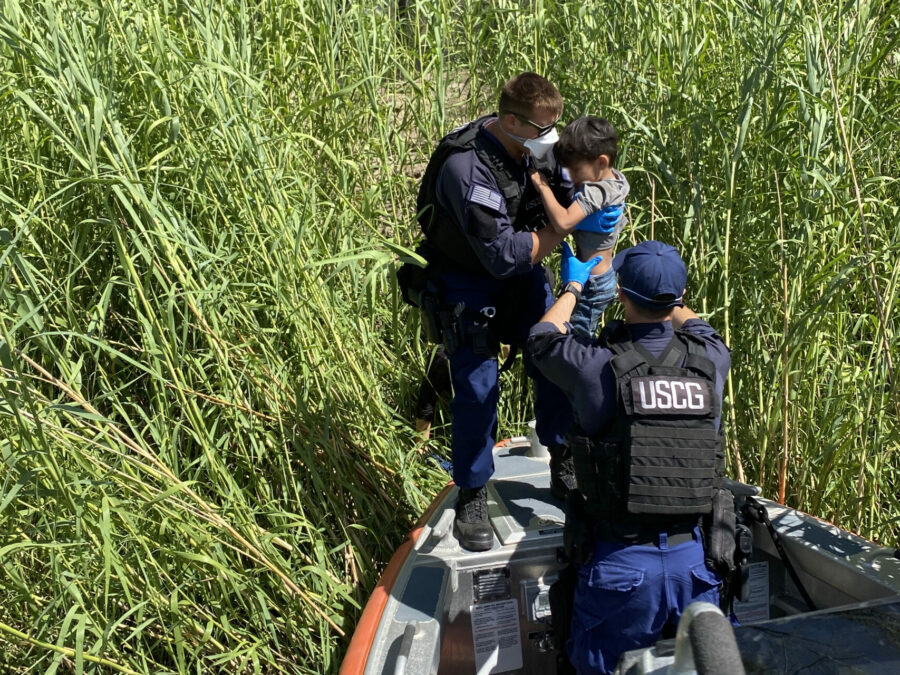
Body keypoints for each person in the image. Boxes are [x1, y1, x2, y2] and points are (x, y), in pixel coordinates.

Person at [412, 72, 621, 552]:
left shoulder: (533, 146)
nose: (553, 138)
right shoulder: (466, 169)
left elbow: (585, 187)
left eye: (556, 126)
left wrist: (605, 199)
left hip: (523, 279)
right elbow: (505, 254)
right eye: (544, 129)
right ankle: (471, 490)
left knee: (555, 359)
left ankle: (562, 457)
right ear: (510, 121)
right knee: (477, 387)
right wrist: (563, 231)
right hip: (470, 283)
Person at [525, 241, 732, 674]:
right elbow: (699, 326)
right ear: (679, 299)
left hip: (622, 568)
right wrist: (670, 300)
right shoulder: (711, 359)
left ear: (620, 294)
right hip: (696, 565)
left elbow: (541, 339)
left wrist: (574, 287)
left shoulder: (597, 367)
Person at [528, 116, 629, 338]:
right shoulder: (618, 180)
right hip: (603, 277)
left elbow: (563, 223)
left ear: (601, 162)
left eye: (575, 170)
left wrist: (542, 186)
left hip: (591, 282)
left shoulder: (596, 191)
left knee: (578, 338)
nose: (570, 177)